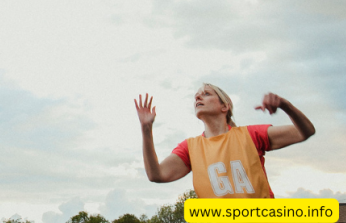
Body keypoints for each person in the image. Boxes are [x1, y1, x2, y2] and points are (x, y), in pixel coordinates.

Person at [134, 83, 315, 198]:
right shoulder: (190, 148)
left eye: (206, 94)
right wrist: (146, 130)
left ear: (225, 106)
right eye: (196, 96)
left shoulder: (250, 136)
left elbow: (304, 132)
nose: (198, 97)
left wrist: (285, 105)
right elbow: (156, 175)